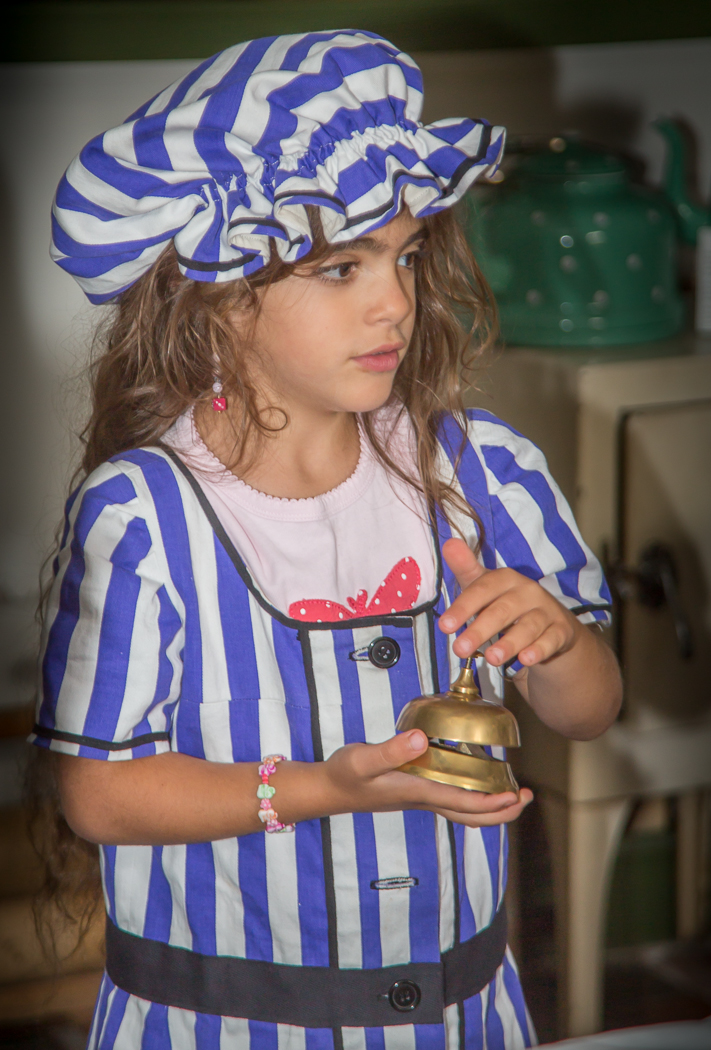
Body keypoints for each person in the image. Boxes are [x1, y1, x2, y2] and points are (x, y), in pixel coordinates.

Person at [30, 29, 622, 1050]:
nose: (394, 302)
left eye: (405, 256)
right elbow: (99, 794)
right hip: (221, 1025)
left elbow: (592, 710)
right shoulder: (145, 516)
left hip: (460, 1017)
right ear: (222, 301)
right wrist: (322, 790)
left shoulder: (481, 472)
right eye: (342, 267)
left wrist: (559, 642)